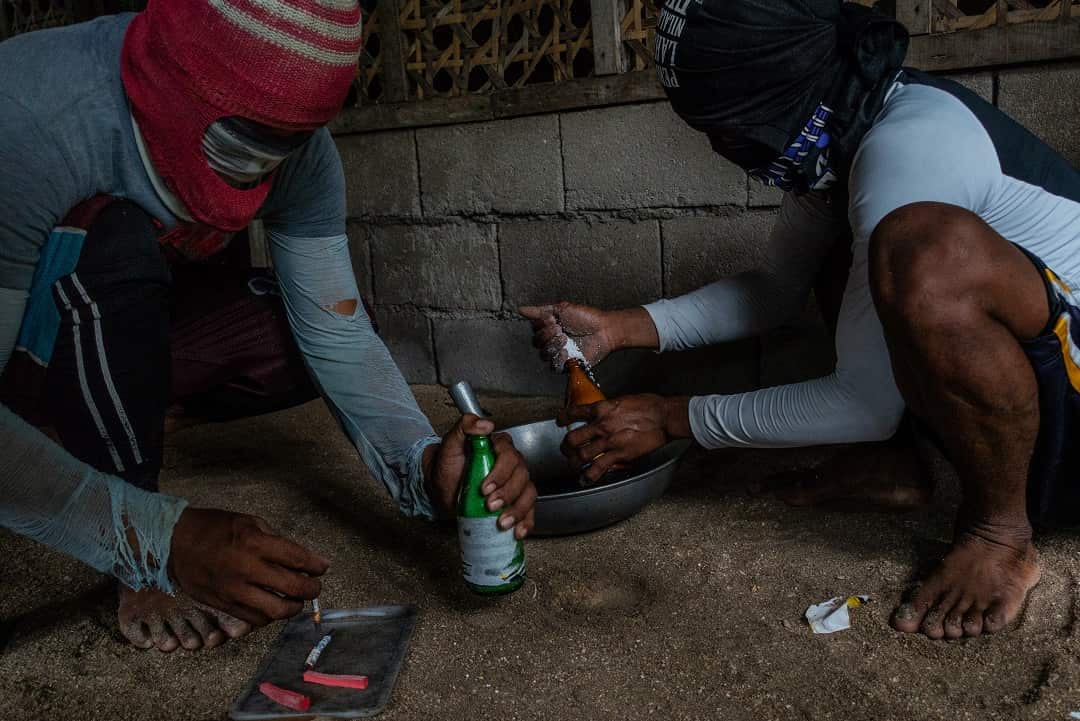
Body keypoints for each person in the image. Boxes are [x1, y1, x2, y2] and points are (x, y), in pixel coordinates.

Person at [523, 0, 1080, 640]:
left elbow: (863, 402)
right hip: (1043, 389)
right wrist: (619, 328)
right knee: (856, 248)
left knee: (921, 255)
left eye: (723, 128)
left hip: (1072, 419)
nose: (718, 147)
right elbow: (774, 291)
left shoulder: (906, 150)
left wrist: (670, 416)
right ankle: (895, 468)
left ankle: (1000, 534)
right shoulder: (845, 131)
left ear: (774, 94)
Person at [0, 0, 536, 653]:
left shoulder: (300, 152)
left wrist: (422, 464)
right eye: (241, 142)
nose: (260, 171)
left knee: (282, 322)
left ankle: (112, 400)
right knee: (113, 238)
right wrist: (153, 537)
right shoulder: (30, 118)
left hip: (122, 319)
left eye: (279, 149)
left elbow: (337, 330)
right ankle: (114, 480)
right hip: (25, 337)